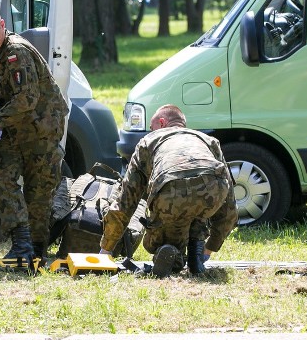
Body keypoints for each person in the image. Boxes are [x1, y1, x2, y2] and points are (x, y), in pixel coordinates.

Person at [0, 4, 68, 270]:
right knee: (1, 178)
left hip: (41, 128)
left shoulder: (16, 53)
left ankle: (34, 253)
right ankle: (21, 244)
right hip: (16, 126)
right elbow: (7, 95)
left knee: (39, 192)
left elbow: (27, 97)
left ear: (2, 25)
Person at [98, 104, 238, 277]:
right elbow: (229, 206)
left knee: (155, 243)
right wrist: (210, 248)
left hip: (170, 189)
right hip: (214, 187)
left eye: (151, 128)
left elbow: (126, 201)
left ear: (162, 122)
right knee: (199, 210)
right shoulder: (207, 140)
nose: (150, 132)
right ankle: (197, 258)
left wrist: (106, 250)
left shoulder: (147, 142)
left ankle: (171, 255)